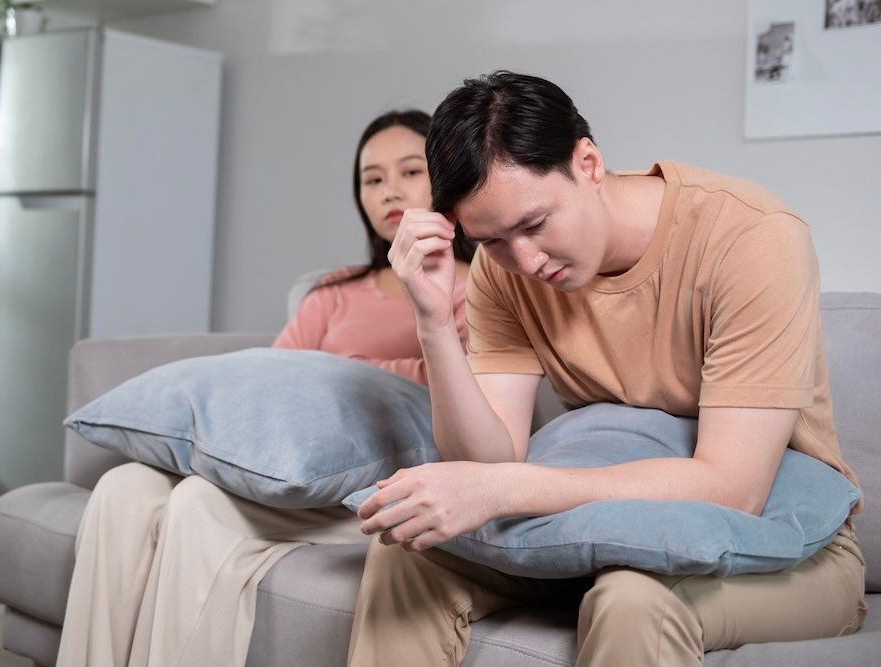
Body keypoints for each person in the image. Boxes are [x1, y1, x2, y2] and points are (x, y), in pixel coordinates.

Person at [346, 72, 867, 667]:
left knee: (633, 599)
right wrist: (434, 323)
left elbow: (733, 487)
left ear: (588, 164)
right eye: (491, 241)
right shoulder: (505, 272)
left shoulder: (751, 237)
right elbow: (488, 461)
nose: (525, 260)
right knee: (406, 550)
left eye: (534, 224)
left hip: (787, 545)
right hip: (604, 528)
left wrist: (506, 489)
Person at [55, 109, 475, 667]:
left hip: (366, 490)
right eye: (371, 179)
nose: (388, 191)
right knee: (124, 487)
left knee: (199, 501)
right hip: (293, 470)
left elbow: (461, 393)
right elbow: (276, 385)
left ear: (444, 178)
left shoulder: (481, 289)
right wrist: (354, 369)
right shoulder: (331, 292)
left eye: (409, 172)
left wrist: (341, 365)